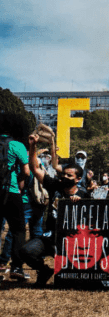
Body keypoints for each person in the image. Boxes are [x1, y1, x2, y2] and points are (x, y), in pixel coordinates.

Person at [21, 130, 89, 286]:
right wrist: (32, 146)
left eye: (69, 176)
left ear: (78, 179)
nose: (65, 177)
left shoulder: (85, 194)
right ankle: (44, 270)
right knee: (26, 251)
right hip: (51, 238)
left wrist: (81, 203)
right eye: (64, 174)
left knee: (69, 281)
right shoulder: (54, 186)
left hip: (74, 241)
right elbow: (35, 168)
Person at [0, 112, 32, 281]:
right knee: (18, 230)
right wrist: (20, 183)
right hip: (11, 191)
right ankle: (17, 267)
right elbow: (26, 171)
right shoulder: (17, 145)